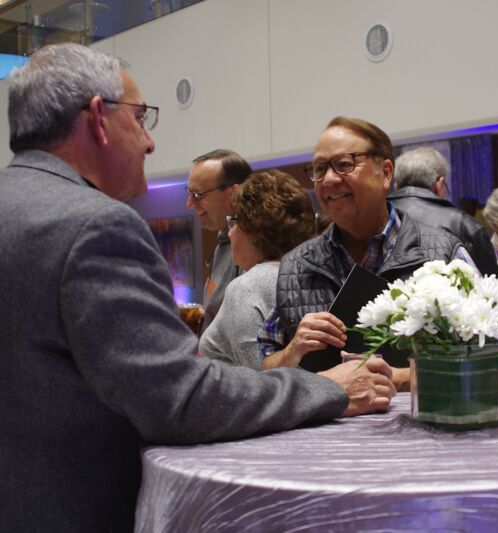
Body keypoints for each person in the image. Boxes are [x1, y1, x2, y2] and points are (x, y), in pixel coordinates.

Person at [0, 43, 395, 532]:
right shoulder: (94, 227)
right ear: (99, 119)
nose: (149, 143)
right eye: (141, 118)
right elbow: (179, 400)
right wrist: (323, 389)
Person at [260, 116, 471, 387]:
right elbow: (264, 368)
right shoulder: (296, 267)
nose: (329, 179)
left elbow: (486, 358)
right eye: (319, 169)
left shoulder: (443, 253)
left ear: (385, 173)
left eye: (344, 164)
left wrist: (397, 378)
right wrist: (292, 352)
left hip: (423, 426)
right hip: (326, 428)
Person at [199, 170, 315, 370]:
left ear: (255, 232)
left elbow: (258, 379)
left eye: (234, 222)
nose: (230, 232)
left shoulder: (247, 287)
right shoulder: (310, 277)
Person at [387, 146, 498, 280]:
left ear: (396, 185)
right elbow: (493, 283)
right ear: (440, 184)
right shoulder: (463, 224)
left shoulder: (379, 217)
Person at [186, 148, 252, 332]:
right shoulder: (222, 238)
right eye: (189, 193)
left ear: (235, 193)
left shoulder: (254, 246)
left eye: (198, 195)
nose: (189, 204)